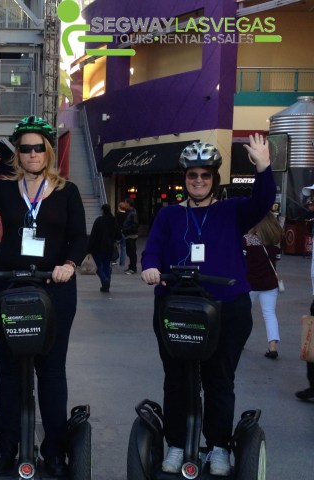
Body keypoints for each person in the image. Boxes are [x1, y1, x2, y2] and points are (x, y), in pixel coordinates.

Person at [0, 115, 87, 476]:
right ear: (18, 155)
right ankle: (6, 444)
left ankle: (54, 447)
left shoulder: (66, 191)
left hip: (54, 287)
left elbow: (80, 236)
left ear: (48, 151)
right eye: (25, 148)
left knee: (51, 369)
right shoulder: (4, 188)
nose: (32, 154)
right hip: (9, 285)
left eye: (38, 147)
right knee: (10, 368)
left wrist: (70, 264)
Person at [140, 134, 274, 476]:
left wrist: (263, 167)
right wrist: (151, 268)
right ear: (184, 178)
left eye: (205, 175)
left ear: (214, 178)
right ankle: (175, 443)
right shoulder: (169, 215)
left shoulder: (232, 210)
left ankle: (217, 446)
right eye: (192, 175)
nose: (198, 181)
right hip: (178, 307)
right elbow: (152, 249)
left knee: (218, 380)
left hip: (227, 307)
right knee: (178, 380)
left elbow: (263, 201)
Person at [242, 212, 283, 359]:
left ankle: (240, 342)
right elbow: (276, 259)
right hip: (270, 283)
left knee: (244, 314)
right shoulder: (275, 242)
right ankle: (272, 345)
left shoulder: (247, 240)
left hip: (250, 283)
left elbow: (242, 260)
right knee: (270, 314)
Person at [88, 204, 120, 293]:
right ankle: (106, 285)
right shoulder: (113, 220)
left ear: (103, 210)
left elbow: (93, 235)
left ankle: (104, 279)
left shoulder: (99, 220)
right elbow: (118, 234)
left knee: (97, 266)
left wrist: (89, 249)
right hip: (109, 248)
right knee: (106, 266)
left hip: (98, 247)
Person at [122, 198, 139, 274]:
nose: (124, 204)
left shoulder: (133, 213)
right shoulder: (129, 212)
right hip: (128, 235)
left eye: (125, 203)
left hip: (131, 235)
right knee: (129, 252)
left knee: (132, 252)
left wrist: (126, 230)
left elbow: (135, 224)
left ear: (129, 204)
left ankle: (133, 268)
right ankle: (131, 266)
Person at [113, 201, 128, 266]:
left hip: (118, 233)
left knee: (115, 246)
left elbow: (115, 225)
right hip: (125, 233)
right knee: (123, 248)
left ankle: (114, 259)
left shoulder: (117, 215)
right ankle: (122, 263)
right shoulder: (127, 215)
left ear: (119, 207)